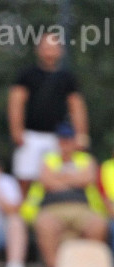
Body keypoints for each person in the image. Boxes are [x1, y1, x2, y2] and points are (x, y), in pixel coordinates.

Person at [8, 32, 89, 196]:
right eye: (46, 47)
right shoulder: (26, 75)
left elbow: (76, 106)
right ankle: (22, 218)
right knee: (25, 179)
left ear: (60, 50)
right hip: (30, 135)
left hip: (59, 139)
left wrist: (81, 133)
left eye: (53, 47)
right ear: (38, 49)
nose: (49, 51)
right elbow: (16, 103)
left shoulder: (67, 77)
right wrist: (17, 131)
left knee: (56, 180)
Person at [21, 122, 107, 267]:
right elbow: (46, 181)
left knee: (98, 225)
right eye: (62, 139)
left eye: (68, 139)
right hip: (52, 208)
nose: (65, 143)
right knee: (45, 225)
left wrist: (59, 178)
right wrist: (74, 179)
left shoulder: (87, 159)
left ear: (75, 141)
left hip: (82, 208)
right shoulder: (47, 159)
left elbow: (88, 178)